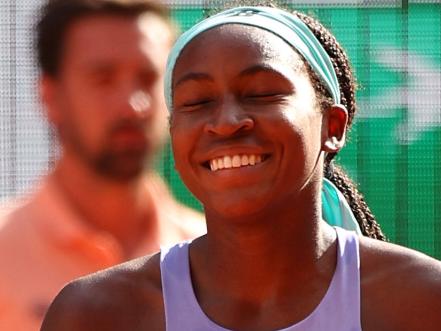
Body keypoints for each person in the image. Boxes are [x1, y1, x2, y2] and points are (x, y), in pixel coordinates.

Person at [41, 3, 441, 331]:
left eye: (263, 93)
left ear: (332, 126)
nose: (227, 122)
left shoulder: (421, 302)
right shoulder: (96, 315)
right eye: (197, 102)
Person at [0, 1, 206, 330]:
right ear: (50, 96)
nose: (132, 105)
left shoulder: (213, 254)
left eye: (147, 77)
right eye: (103, 78)